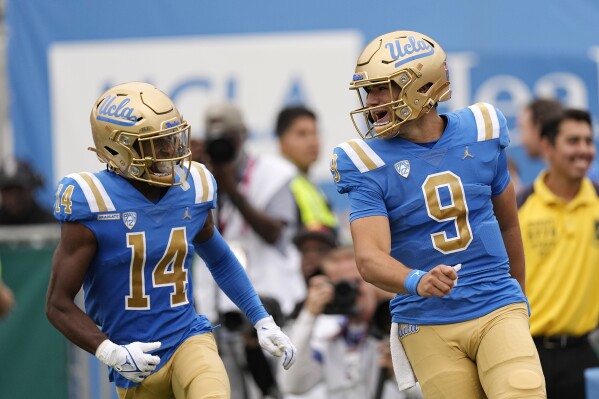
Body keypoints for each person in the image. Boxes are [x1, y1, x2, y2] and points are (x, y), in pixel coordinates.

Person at [329, 30, 546, 398]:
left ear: (420, 86)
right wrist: (417, 280)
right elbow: (368, 258)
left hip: (494, 302)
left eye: (382, 88)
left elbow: (509, 223)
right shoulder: (365, 163)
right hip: (425, 318)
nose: (371, 100)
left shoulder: (482, 130)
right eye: (368, 90)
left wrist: (518, 299)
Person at [45, 82, 296, 399]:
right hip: (134, 362)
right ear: (118, 149)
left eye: (171, 138)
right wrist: (109, 351)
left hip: (188, 338)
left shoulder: (193, 187)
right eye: (157, 143)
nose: (172, 150)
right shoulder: (92, 201)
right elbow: (57, 303)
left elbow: (219, 258)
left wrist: (261, 319)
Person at [517, 108, 599, 399]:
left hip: (584, 355)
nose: (584, 150)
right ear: (547, 147)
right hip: (525, 353)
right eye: (573, 141)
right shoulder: (519, 207)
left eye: (588, 141)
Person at [279, 245, 415, 399]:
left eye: (357, 282)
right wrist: (309, 314)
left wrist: (398, 375)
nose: (352, 291)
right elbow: (292, 384)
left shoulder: (399, 330)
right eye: (341, 286)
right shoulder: (328, 341)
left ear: (373, 282)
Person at [275, 105, 338, 235]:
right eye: (301, 134)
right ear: (282, 142)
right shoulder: (278, 183)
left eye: (314, 133)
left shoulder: (310, 184)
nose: (312, 142)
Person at [0, 158, 54, 225]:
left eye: (19, 190)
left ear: (32, 189)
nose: (13, 197)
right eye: (7, 191)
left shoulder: (51, 223)